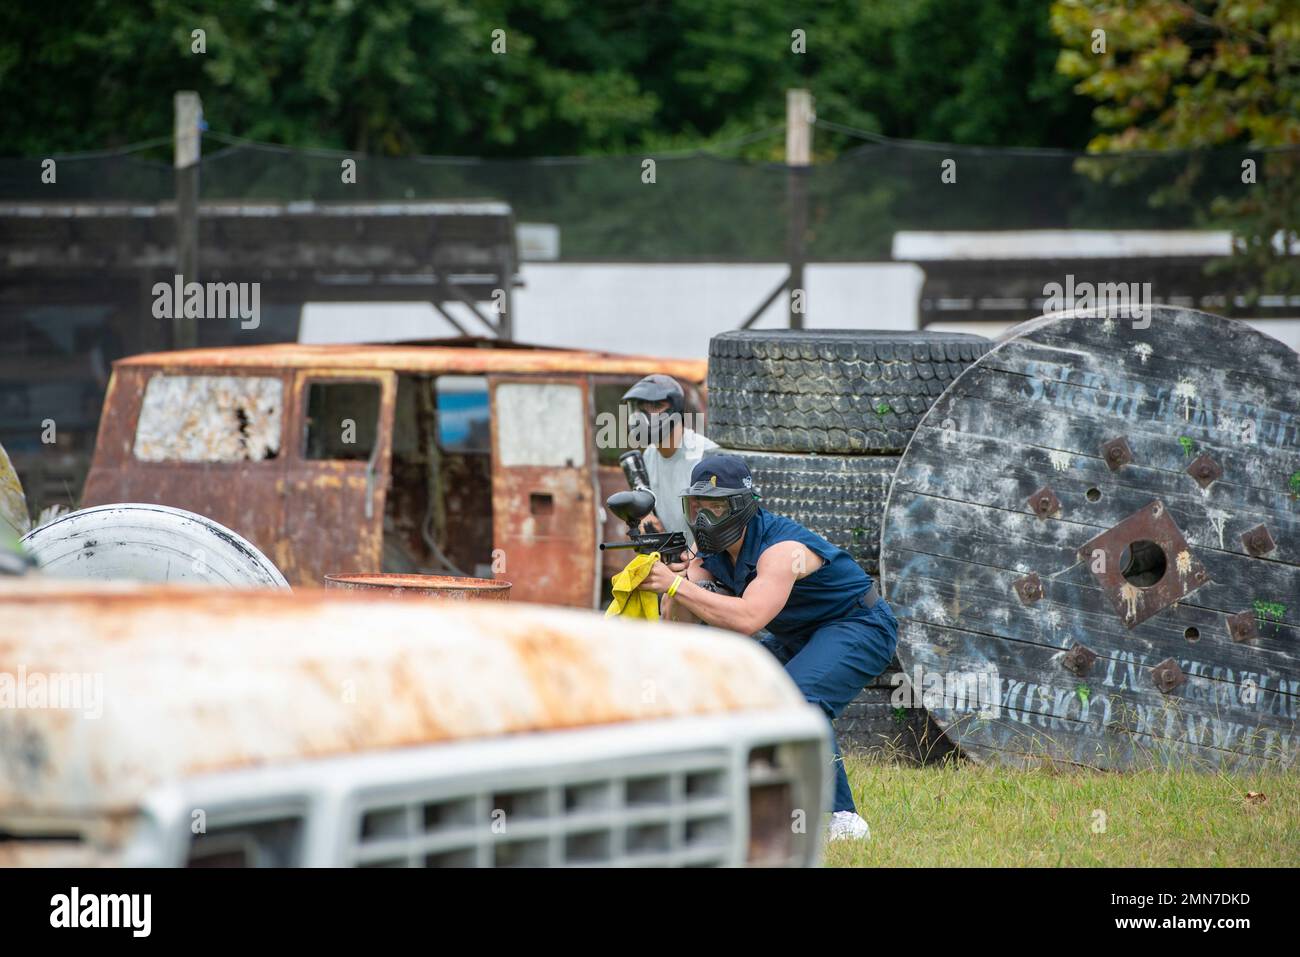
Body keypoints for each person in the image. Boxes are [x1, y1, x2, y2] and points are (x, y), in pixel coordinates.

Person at [638, 454, 897, 841]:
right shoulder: (707, 551)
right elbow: (679, 628)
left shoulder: (781, 549)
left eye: (716, 507)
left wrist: (678, 586)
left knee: (799, 700)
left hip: (858, 624)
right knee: (734, 691)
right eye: (698, 507)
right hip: (798, 635)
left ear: (743, 506)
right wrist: (671, 583)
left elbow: (747, 619)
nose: (705, 518)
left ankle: (841, 817)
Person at [621, 374, 716, 547]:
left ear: (676, 409)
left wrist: (691, 567)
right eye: (638, 408)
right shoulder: (649, 455)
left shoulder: (705, 456)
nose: (642, 416)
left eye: (655, 406)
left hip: (707, 564)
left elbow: (719, 527)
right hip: (672, 560)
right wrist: (645, 517)